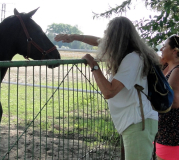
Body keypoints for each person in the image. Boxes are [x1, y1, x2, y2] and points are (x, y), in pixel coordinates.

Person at [55, 16, 160, 160]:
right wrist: (74, 37)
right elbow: (98, 41)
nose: (106, 40)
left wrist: (94, 65)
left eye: (108, 35)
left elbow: (109, 91)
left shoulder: (133, 58)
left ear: (116, 38)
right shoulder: (130, 54)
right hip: (135, 122)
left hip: (138, 123)